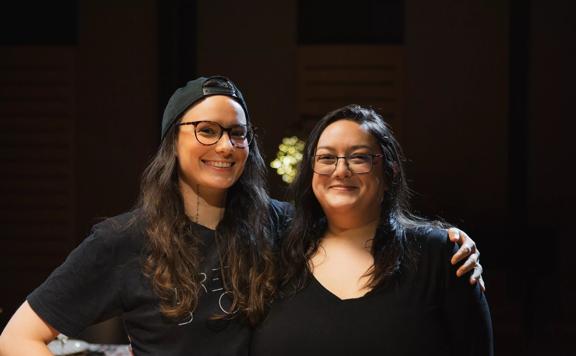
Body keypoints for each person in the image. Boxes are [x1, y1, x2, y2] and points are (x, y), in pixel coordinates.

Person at [0, 78, 483, 356]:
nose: (225, 146)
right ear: (173, 140)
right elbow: (18, 337)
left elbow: (356, 220)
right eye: (206, 130)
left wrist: (446, 240)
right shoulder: (123, 240)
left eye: (237, 133)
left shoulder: (278, 225)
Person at [251, 104, 493, 355]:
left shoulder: (441, 256)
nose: (341, 170)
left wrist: (446, 239)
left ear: (389, 173)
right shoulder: (277, 252)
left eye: (359, 157)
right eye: (326, 158)